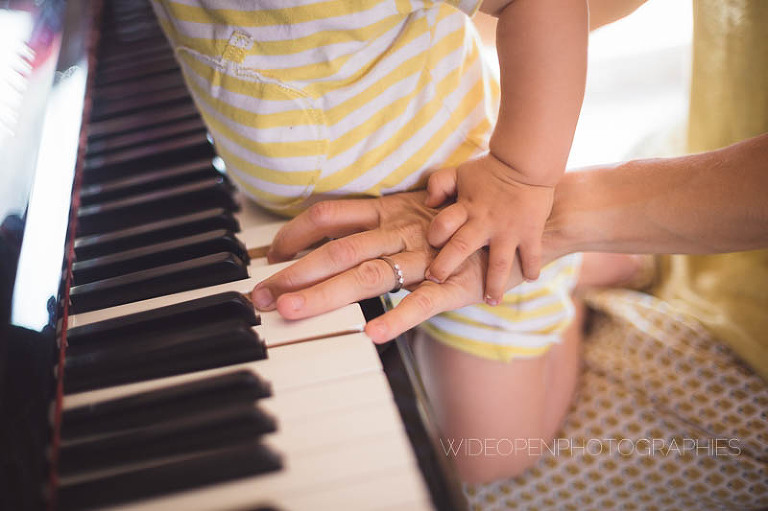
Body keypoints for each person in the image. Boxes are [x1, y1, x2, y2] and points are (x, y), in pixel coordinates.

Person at [150, 0, 590, 482]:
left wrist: (519, 178)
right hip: (339, 226)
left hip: (468, 231)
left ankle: (569, 277)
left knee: (484, 456)